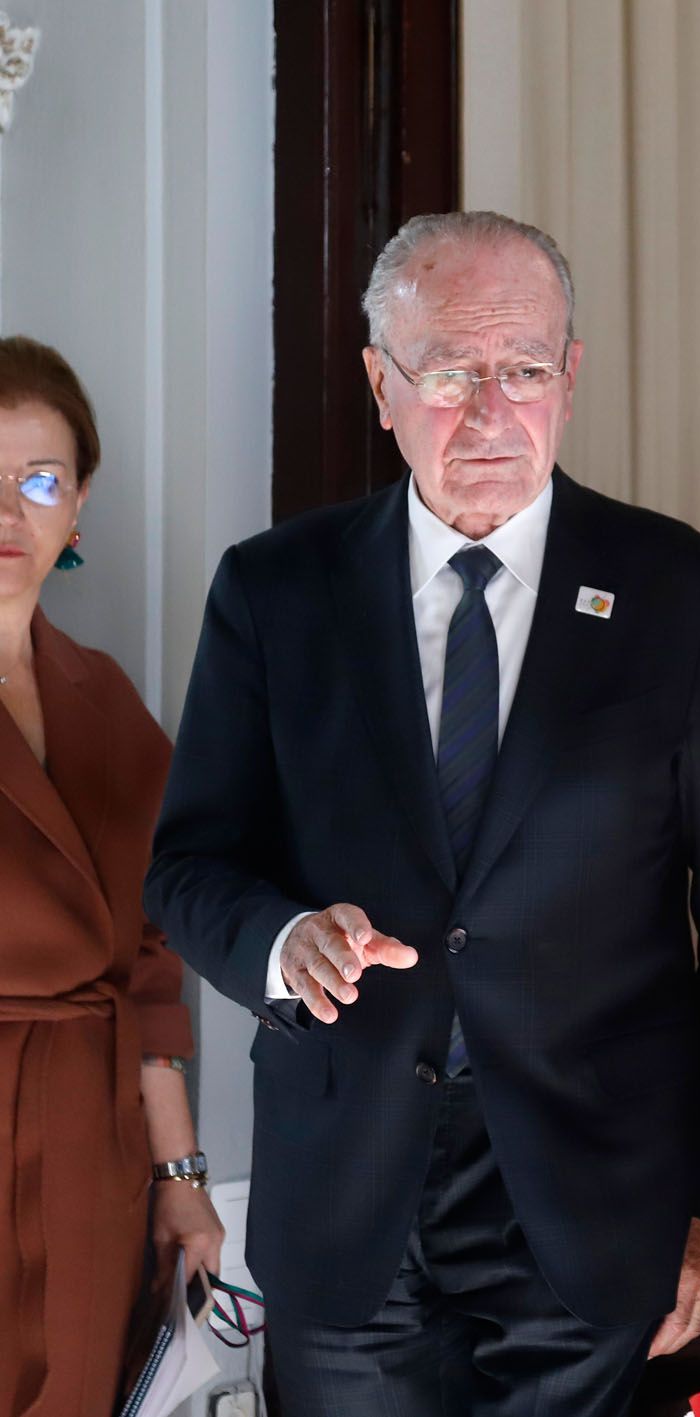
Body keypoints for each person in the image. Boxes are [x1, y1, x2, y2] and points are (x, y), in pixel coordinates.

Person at [144, 212, 700, 1414]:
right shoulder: (278, 590)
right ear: (382, 387)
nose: (490, 413)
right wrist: (282, 942)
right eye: (448, 373)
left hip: (590, 1199)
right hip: (346, 1192)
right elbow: (188, 867)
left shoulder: (682, 595)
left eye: (524, 370)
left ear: (571, 378)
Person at [0, 336, 222, 1414]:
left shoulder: (107, 698)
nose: (9, 513)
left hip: (93, 1146)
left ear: (77, 502)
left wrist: (180, 1182)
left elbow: (148, 965)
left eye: (37, 481)